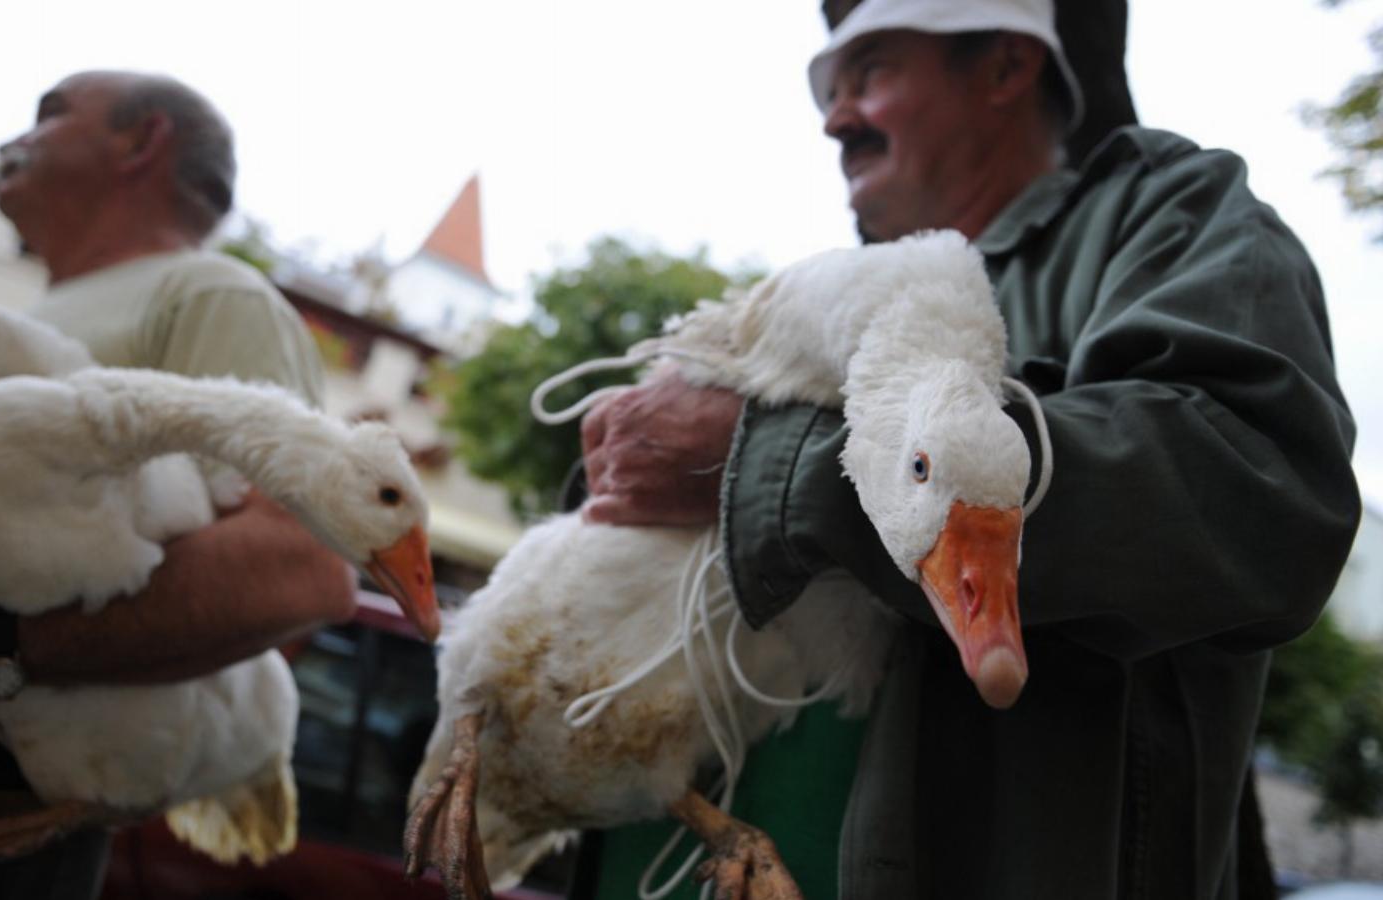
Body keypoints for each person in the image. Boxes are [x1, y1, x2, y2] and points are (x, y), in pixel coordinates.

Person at [575, 1, 1361, 897]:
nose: (833, 117)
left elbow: (1261, 489)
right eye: (830, 88)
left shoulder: (1169, 214)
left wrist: (768, 464)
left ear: (1003, 68)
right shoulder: (831, 305)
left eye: (868, 71)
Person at [0, 71, 356, 898]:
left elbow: (299, 569)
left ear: (142, 140)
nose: (15, 137)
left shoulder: (210, 291)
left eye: (49, 114)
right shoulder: (51, 305)